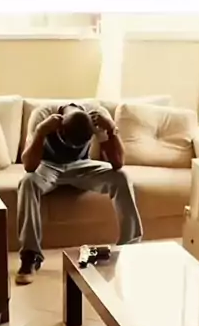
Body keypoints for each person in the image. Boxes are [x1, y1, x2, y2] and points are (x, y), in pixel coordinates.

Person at [16, 102, 143, 284]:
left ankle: (130, 249)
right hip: (48, 166)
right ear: (60, 129)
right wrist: (41, 131)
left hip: (82, 166)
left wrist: (111, 129)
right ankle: (30, 257)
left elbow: (117, 163)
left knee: (121, 177)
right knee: (27, 182)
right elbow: (29, 166)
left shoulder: (97, 116)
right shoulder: (42, 115)